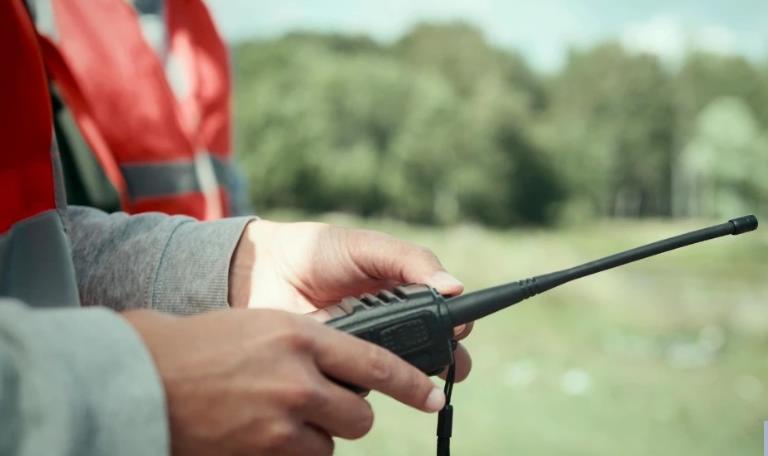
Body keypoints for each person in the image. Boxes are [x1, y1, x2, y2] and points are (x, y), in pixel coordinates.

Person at [0, 1, 473, 455]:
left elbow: (30, 258)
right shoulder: (62, 14)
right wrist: (137, 390)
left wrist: (237, 267)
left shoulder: (196, 24)